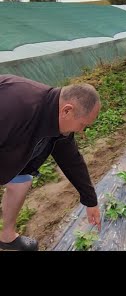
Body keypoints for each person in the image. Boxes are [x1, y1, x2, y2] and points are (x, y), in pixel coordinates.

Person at [0, 74, 102, 251]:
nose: (82, 130)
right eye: (82, 124)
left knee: (22, 181)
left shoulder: (57, 120)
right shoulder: (16, 106)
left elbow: (72, 161)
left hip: (9, 148)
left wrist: (90, 201)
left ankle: (7, 237)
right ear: (67, 111)